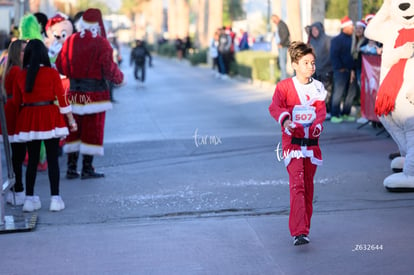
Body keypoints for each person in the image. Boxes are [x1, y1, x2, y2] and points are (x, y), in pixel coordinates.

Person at [269, 41, 327, 246]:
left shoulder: (318, 87)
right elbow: (274, 107)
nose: (311, 66)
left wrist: (318, 125)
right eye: (305, 63)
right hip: (292, 146)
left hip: (311, 146)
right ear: (294, 64)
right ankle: (299, 232)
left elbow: (321, 111)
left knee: (308, 187)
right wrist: (285, 120)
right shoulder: (284, 87)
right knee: (297, 186)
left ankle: (305, 229)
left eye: (312, 62)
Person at [56, 8, 124, 180]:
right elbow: (109, 69)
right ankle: (87, 168)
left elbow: (60, 65)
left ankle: (71, 168)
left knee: (74, 129)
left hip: (75, 93)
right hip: (95, 95)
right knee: (92, 130)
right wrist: (120, 78)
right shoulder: (101, 43)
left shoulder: (70, 40)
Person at [12, 39, 77, 212]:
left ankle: (29, 199)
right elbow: (62, 100)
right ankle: (55, 199)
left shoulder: (20, 75)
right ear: (43, 54)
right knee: (52, 160)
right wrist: (71, 120)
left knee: (32, 160)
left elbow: (17, 103)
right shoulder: (51, 73)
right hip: (50, 116)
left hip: (29, 118)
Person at [1, 40, 27, 205]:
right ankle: (17, 190)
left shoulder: (8, 69)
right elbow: (22, 93)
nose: (26, 53)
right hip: (15, 113)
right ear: (18, 53)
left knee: (14, 156)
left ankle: (14, 190)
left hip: (9, 111)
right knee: (17, 156)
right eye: (24, 51)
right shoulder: (17, 70)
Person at [329, 16, 358, 123]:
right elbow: (334, 55)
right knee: (338, 93)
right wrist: (339, 67)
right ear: (344, 27)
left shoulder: (353, 39)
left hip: (352, 71)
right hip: (341, 71)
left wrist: (353, 69)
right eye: (350, 26)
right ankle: (334, 114)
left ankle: (346, 112)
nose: (352, 28)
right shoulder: (337, 40)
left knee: (351, 92)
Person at [309, 22, 333, 119]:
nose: (314, 32)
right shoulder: (312, 41)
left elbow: (331, 54)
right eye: (312, 30)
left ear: (320, 30)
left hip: (326, 70)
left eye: (316, 30)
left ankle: (328, 110)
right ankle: (319, 111)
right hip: (316, 71)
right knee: (316, 92)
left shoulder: (327, 39)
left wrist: (325, 65)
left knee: (326, 92)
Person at [272, 14, 291, 81]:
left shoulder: (282, 24)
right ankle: (283, 78)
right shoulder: (278, 25)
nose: (273, 21)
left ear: (278, 18)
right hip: (280, 46)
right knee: (281, 63)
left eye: (274, 19)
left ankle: (283, 79)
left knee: (282, 63)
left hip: (283, 46)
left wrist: (281, 43)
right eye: (273, 20)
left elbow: (286, 34)